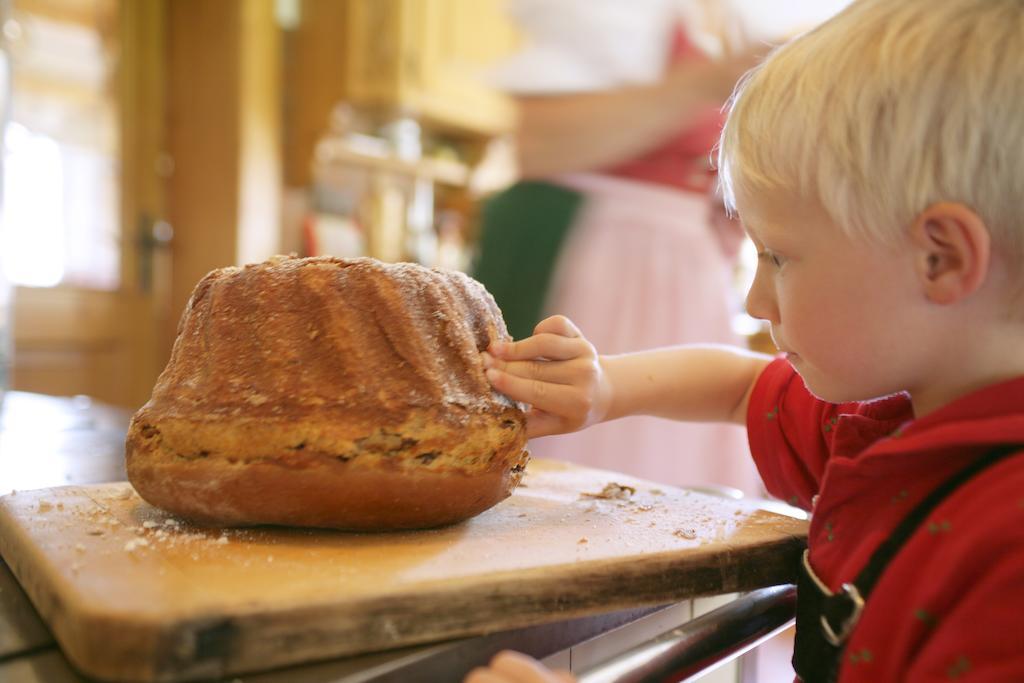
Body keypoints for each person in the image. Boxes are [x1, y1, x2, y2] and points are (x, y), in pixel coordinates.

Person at [466, 0, 1024, 681]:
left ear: (941, 259)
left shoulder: (1005, 553)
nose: (756, 301)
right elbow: (737, 385)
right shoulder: (889, 424)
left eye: (780, 257)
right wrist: (608, 387)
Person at [474, 0, 764, 495]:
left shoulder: (704, 16)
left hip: (677, 266)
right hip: (611, 264)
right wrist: (707, 80)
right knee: (591, 457)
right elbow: (540, 144)